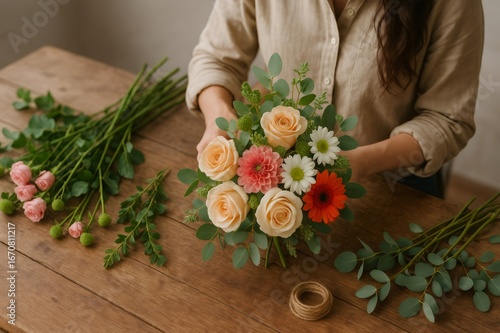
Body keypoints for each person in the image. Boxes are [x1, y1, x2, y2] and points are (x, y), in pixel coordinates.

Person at [185, 0, 484, 198]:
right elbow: (216, 58)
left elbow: (447, 118)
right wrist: (218, 120)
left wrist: (360, 163)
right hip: (282, 178)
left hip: (395, 187)